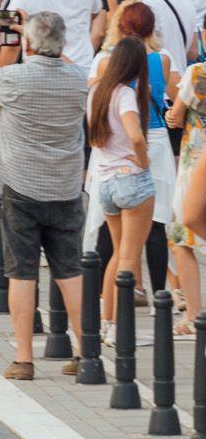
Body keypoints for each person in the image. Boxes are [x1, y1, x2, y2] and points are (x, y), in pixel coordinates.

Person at [0, 10, 90, 378]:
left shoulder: (15, 79)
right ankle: (86, 353)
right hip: (66, 188)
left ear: (29, 44)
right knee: (69, 271)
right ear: (63, 43)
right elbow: (66, 62)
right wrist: (42, 41)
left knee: (21, 273)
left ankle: (24, 359)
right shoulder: (79, 79)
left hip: (21, 187)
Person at [87, 35, 156, 343]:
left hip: (106, 182)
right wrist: (144, 161)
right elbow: (137, 136)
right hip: (131, 179)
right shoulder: (125, 95)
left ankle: (107, 322)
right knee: (130, 256)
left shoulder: (96, 93)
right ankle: (122, 328)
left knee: (116, 254)